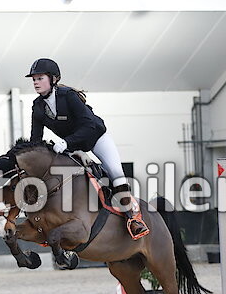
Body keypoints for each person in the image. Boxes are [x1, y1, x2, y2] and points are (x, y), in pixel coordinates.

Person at [26, 58, 149, 240]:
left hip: (95, 137)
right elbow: (35, 139)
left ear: (53, 79)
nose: (36, 82)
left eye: (40, 78)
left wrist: (66, 143)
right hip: (72, 146)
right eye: (34, 79)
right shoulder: (37, 106)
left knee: (115, 172)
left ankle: (133, 218)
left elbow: (89, 126)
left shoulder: (68, 96)